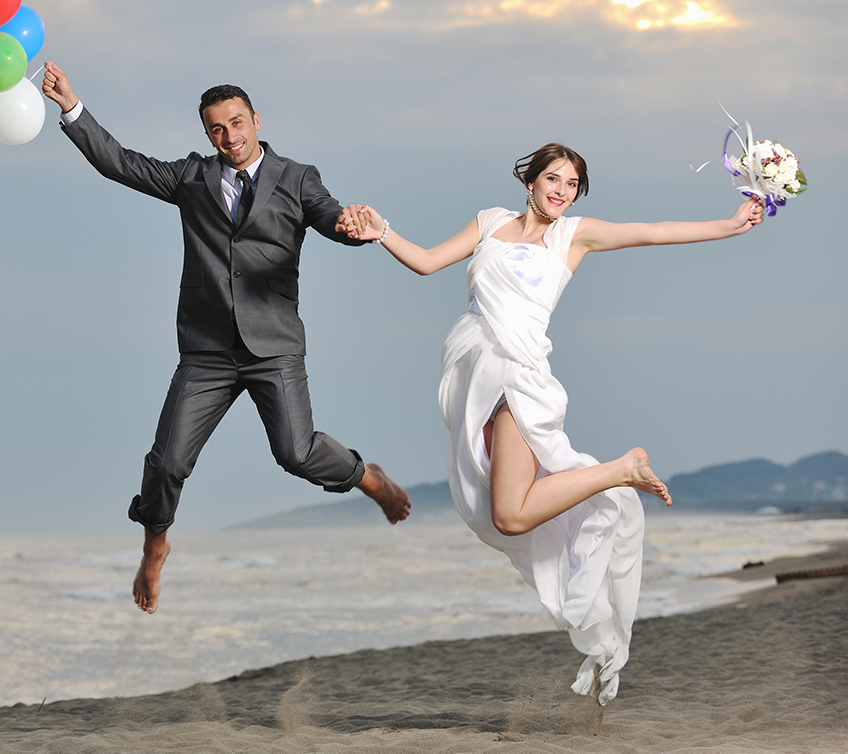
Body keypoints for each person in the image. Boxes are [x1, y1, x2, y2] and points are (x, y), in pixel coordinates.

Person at [336, 144, 764, 703]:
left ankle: (621, 469)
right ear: (530, 181)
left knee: (511, 516)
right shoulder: (490, 222)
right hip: (473, 380)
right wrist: (380, 231)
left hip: (520, 380)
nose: (561, 190)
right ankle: (615, 474)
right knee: (499, 510)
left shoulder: (573, 235)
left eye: (571, 183)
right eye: (552, 179)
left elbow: (653, 231)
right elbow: (426, 261)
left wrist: (729, 226)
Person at [41, 61, 413, 614]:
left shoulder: (296, 178)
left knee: (297, 452)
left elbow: (335, 218)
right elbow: (118, 163)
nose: (230, 136)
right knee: (166, 463)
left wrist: (358, 227)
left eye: (238, 122)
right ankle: (155, 542)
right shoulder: (191, 179)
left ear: (256, 119)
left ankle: (367, 477)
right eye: (217, 128)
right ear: (206, 134)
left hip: (275, 345)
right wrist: (71, 105)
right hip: (208, 349)